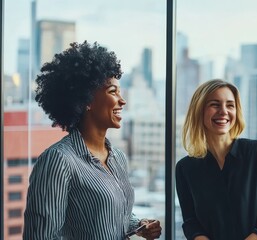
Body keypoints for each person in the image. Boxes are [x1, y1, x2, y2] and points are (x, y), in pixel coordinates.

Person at [23, 41, 162, 240]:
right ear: (86, 100)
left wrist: (139, 225)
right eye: (113, 91)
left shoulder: (118, 158)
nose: (122, 100)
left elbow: (114, 214)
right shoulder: (58, 160)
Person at [175, 79, 257, 240]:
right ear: (199, 111)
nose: (224, 111)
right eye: (215, 104)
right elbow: (191, 223)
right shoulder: (185, 168)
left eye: (230, 105)